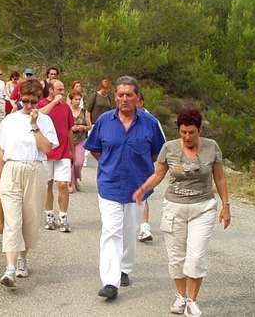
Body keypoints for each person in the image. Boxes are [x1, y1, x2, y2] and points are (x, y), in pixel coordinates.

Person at [133, 108, 231, 317]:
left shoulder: (212, 148)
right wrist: (142, 189)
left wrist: (226, 206)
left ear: (200, 130)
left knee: (195, 257)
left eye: (192, 132)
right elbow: (158, 175)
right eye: (183, 132)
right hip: (174, 208)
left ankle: (192, 300)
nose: (187, 137)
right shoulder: (168, 148)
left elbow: (220, 178)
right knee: (177, 258)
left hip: (203, 208)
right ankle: (180, 296)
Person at [84, 76, 166, 301]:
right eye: (120, 94)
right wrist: (110, 164)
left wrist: (142, 170)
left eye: (129, 95)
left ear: (138, 98)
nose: (124, 99)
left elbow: (159, 153)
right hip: (109, 185)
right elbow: (94, 148)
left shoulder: (150, 123)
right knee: (111, 230)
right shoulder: (104, 121)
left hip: (137, 188)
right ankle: (110, 282)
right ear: (115, 97)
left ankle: (125, 269)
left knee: (129, 231)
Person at [0, 80, 59, 289]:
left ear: (40, 100)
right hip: (11, 170)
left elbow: (47, 148)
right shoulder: (10, 120)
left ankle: (23, 258)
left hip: (34, 169)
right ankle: (10, 269)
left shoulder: (45, 121)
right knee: (12, 219)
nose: (29, 105)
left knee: (29, 219)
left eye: (33, 101)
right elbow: (2, 153)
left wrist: (34, 126)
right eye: (25, 101)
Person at [38, 79, 75, 232]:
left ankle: (63, 217)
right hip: (47, 152)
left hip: (63, 151)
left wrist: (72, 150)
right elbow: (39, 115)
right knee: (48, 184)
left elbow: (69, 130)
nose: (62, 92)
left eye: (63, 89)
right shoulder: (41, 104)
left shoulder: (66, 108)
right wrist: (54, 102)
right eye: (59, 89)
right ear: (51, 90)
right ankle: (49, 215)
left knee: (62, 185)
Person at [136, 93, 167, 243]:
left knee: (142, 194)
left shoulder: (152, 121)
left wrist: (147, 159)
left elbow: (162, 148)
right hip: (122, 165)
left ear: (141, 103)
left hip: (143, 164)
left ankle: (144, 227)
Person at [69, 89, 91, 193]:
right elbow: (62, 125)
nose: (77, 101)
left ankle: (76, 178)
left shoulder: (84, 111)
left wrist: (82, 127)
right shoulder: (67, 110)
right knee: (70, 162)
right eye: (75, 99)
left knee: (78, 162)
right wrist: (71, 128)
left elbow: (89, 126)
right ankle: (72, 183)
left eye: (79, 99)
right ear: (71, 100)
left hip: (81, 140)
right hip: (69, 140)